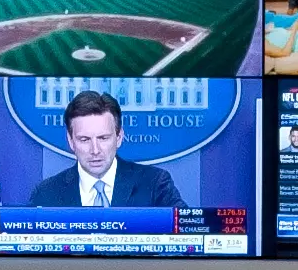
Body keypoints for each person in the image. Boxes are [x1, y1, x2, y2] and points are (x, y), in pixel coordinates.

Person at [22, 88, 190, 215]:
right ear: (71, 141)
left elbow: (188, 233)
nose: (95, 150)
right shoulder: (46, 194)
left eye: (103, 138)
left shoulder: (155, 184)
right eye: (85, 139)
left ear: (119, 137)